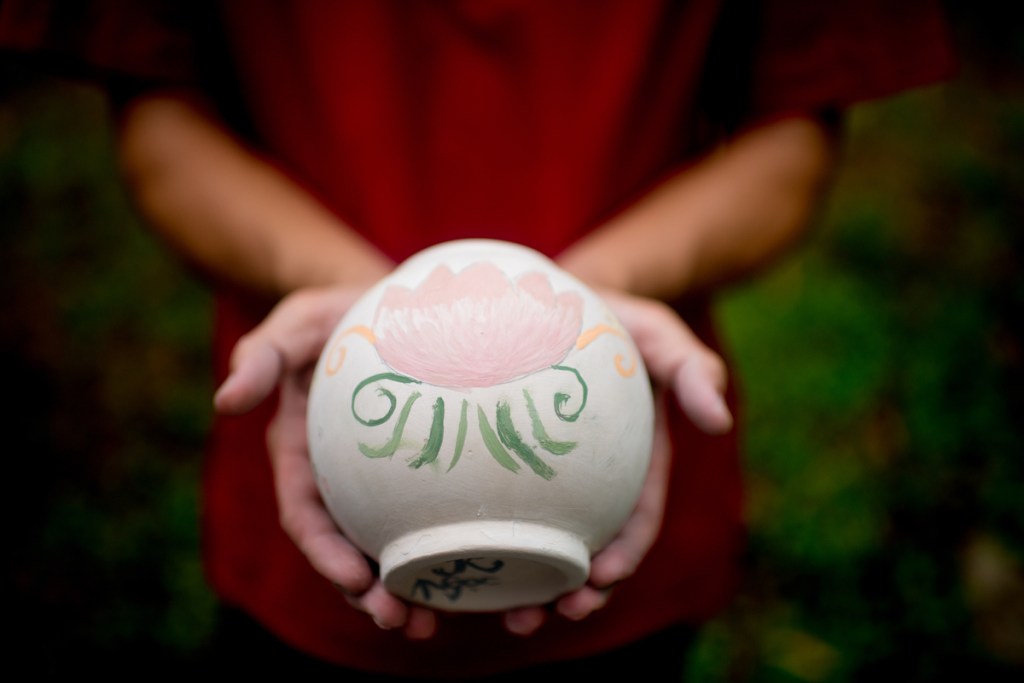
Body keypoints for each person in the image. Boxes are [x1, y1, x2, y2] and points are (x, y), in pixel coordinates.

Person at [0, 0, 955, 678]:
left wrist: (585, 299)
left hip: (622, 474)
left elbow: (793, 128)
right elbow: (157, 109)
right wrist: (364, 305)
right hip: (314, 487)